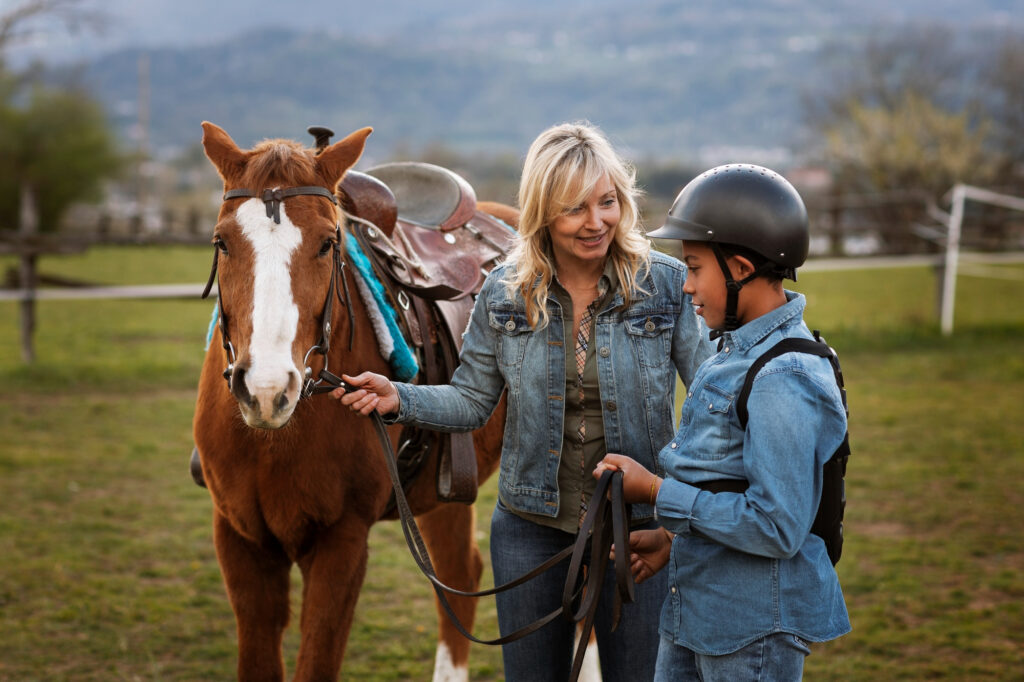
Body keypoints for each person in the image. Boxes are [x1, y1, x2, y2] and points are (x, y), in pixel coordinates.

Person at [334, 121, 713, 681]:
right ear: (541, 212)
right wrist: (399, 398)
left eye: (606, 202)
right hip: (530, 528)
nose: (596, 222)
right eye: (574, 208)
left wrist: (675, 501)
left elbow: (712, 404)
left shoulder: (665, 286)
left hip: (639, 529)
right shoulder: (505, 293)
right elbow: (470, 401)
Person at [594, 164, 851, 681]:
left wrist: (656, 494)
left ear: (739, 268)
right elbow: (726, 480)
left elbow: (777, 527)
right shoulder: (731, 353)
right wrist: (672, 540)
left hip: (751, 628)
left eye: (693, 268)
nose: (686, 286)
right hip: (698, 612)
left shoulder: (784, 375)